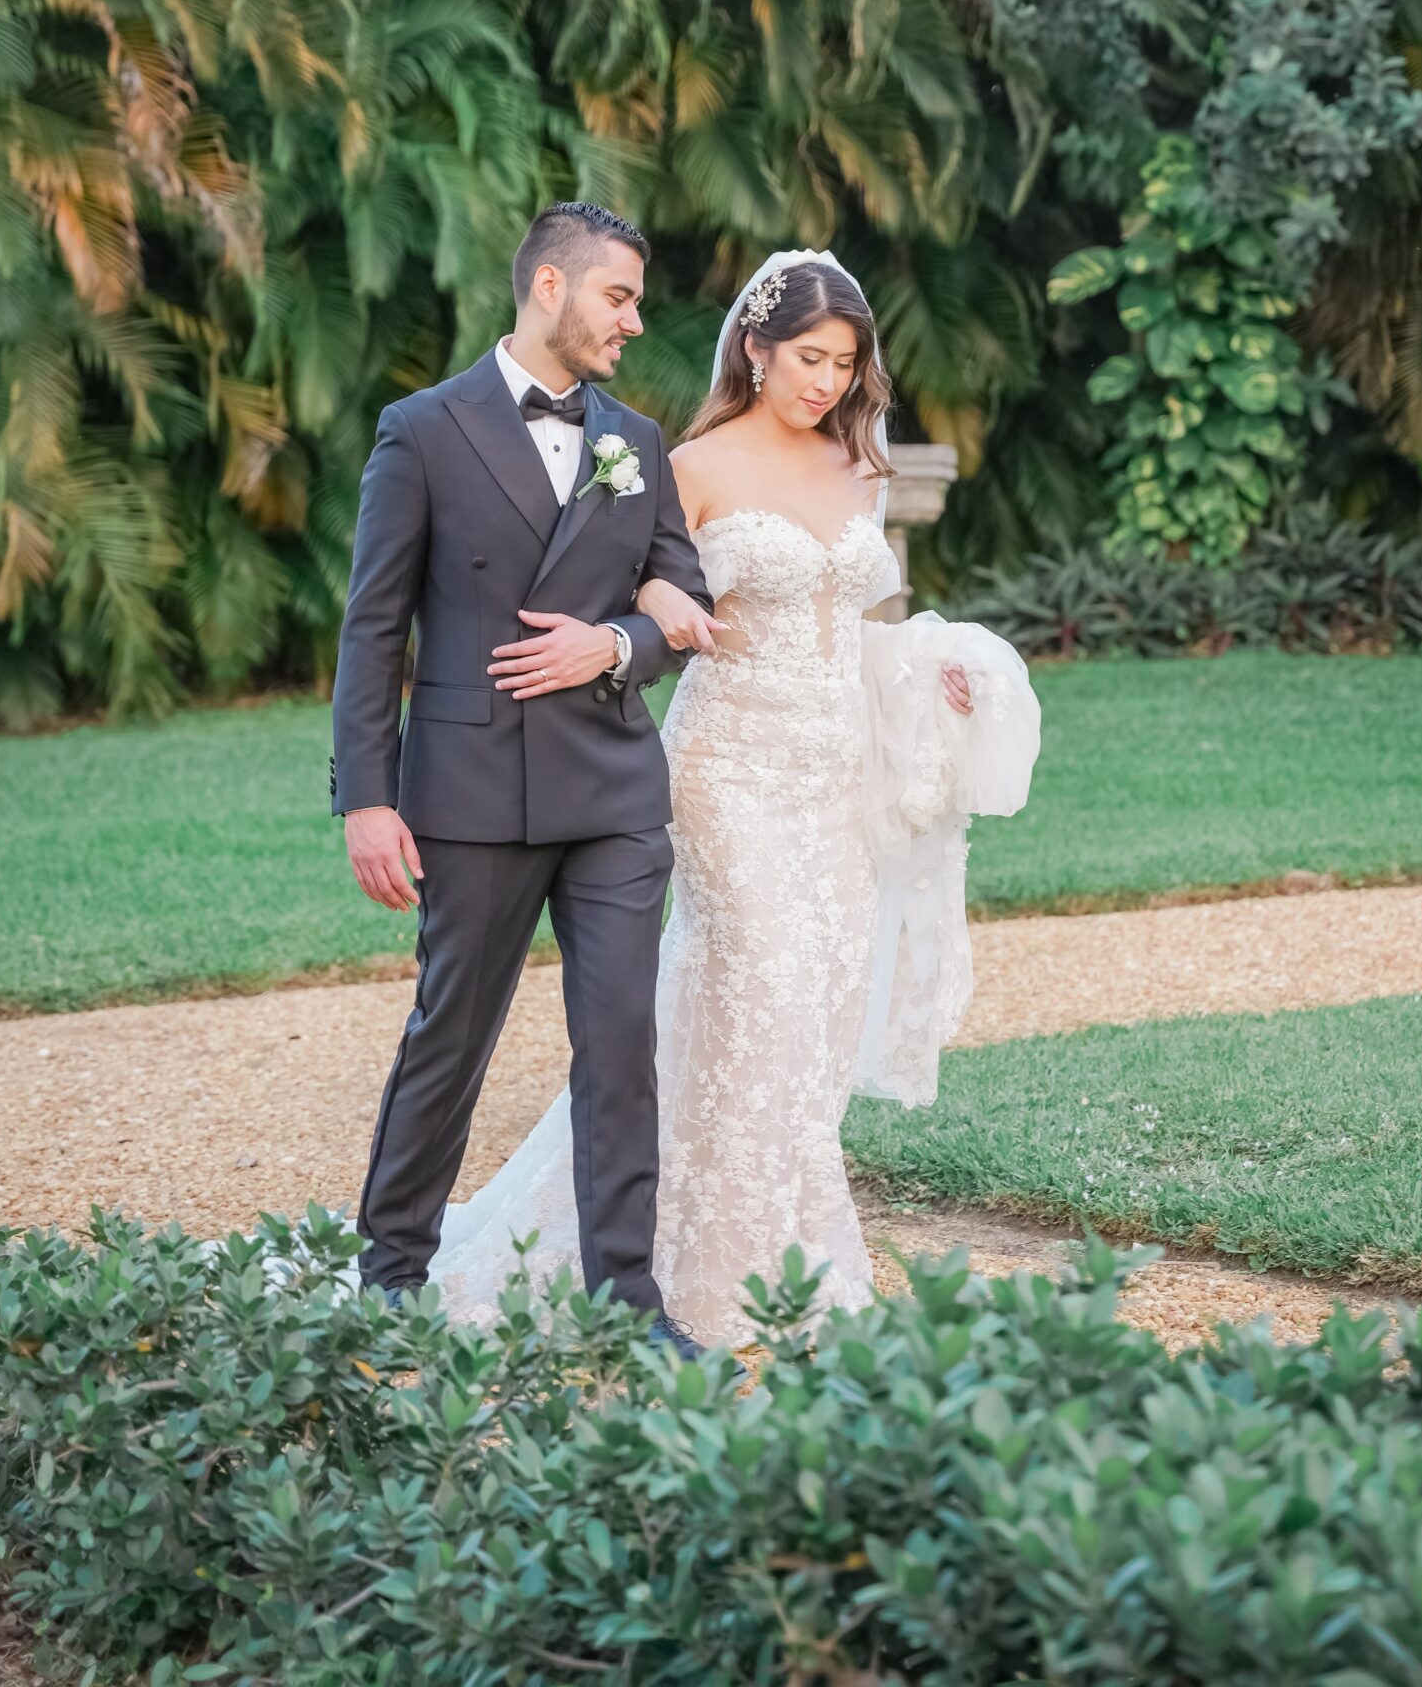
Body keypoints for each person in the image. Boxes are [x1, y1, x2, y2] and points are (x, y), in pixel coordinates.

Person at [431, 249, 1040, 1347]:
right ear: (754, 347)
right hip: (727, 767)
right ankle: (702, 1280)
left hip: (833, 770)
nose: (828, 381)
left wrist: (927, 669)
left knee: (809, 1004)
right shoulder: (689, 462)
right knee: (754, 975)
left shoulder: (859, 467)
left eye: (846, 363)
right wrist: (624, 623)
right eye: (810, 357)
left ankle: (759, 1254)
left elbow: (848, 630)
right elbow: (632, 588)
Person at [330, 200, 717, 1352]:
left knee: (619, 1044)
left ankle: (627, 1308)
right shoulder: (423, 430)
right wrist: (366, 795)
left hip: (610, 792)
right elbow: (372, 628)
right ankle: (390, 1279)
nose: (634, 321)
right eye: (618, 296)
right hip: (470, 793)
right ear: (549, 287)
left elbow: (680, 596)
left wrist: (616, 645)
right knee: (451, 1036)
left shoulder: (637, 442)